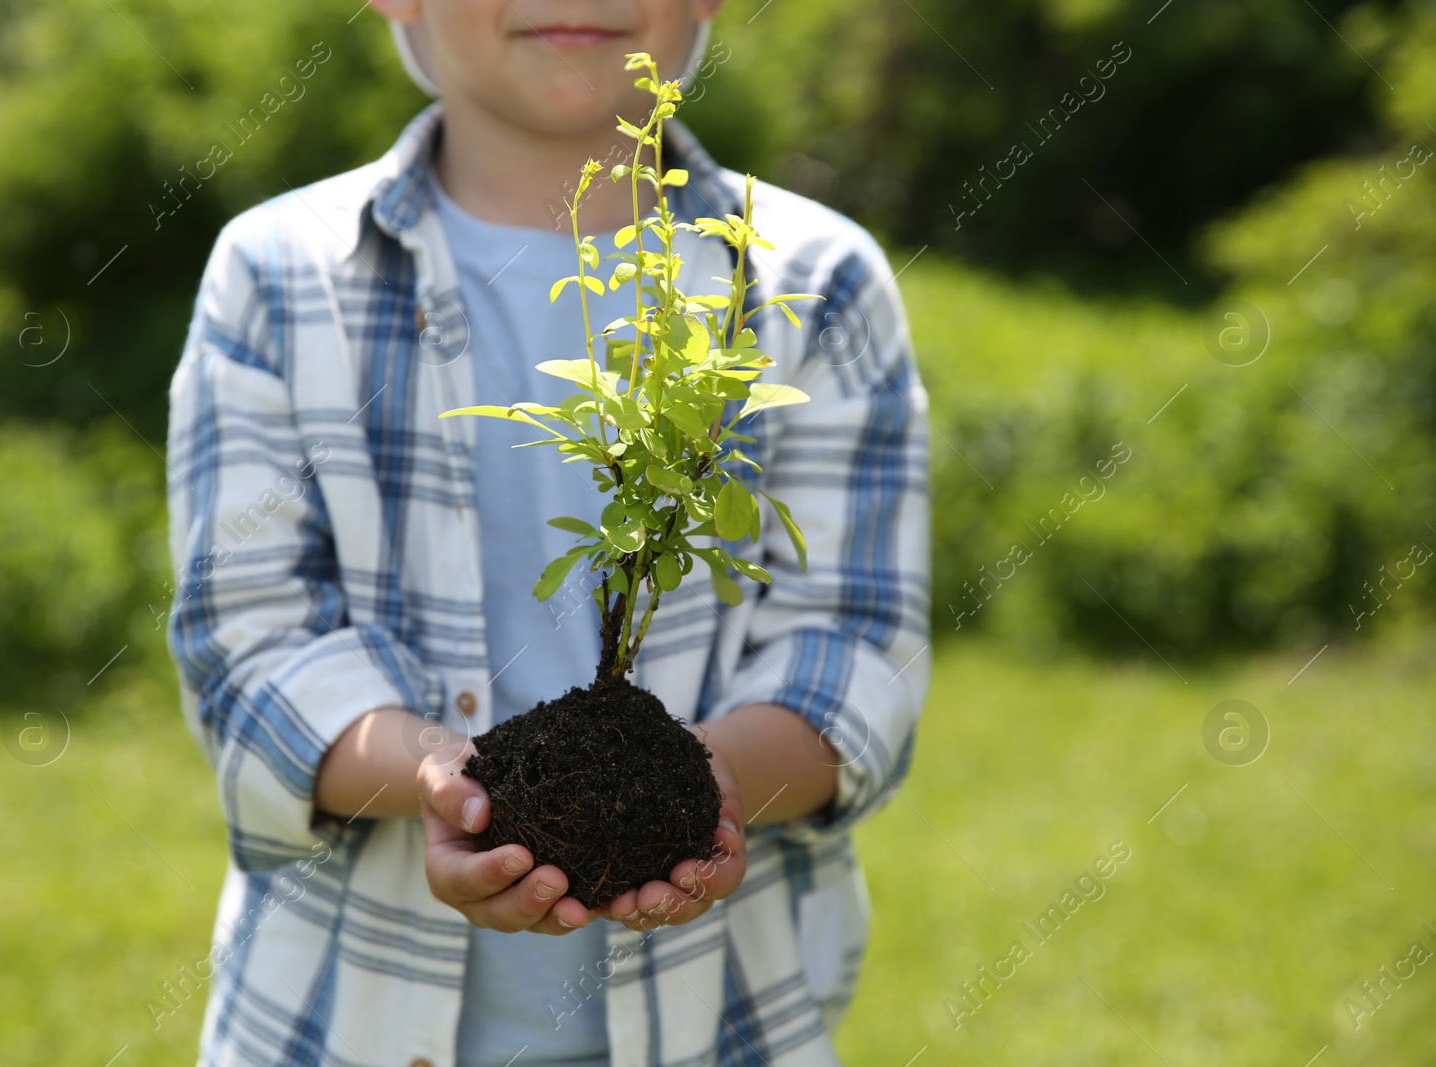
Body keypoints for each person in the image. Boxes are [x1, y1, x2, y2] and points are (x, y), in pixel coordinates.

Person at [165, 2, 931, 1064]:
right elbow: (246, 651)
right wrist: (444, 777)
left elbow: (855, 651)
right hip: (330, 1024)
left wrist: (710, 781)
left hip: (727, 1024)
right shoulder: (280, 275)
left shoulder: (811, 282)